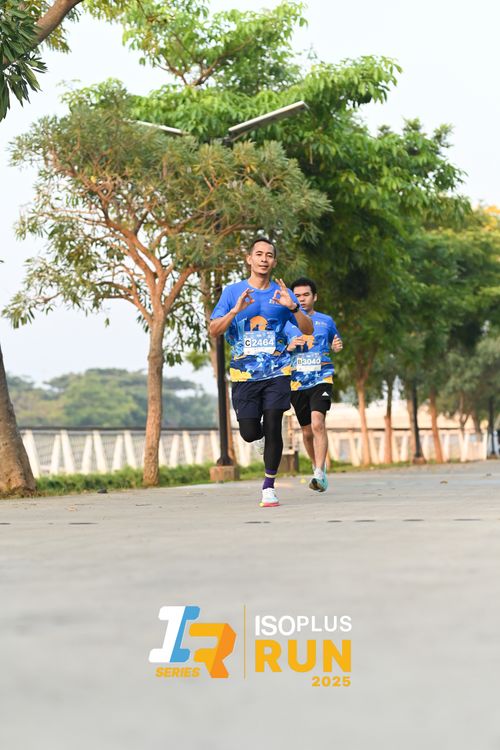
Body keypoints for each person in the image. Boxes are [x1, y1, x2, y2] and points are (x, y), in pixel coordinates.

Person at [209, 238, 313, 508]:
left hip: (277, 371)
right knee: (249, 431)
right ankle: (259, 441)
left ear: (274, 262)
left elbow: (308, 329)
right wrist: (235, 311)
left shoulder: (283, 293)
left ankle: (269, 486)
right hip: (244, 376)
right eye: (259, 254)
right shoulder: (233, 292)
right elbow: (214, 330)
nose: (264, 259)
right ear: (249, 259)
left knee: (273, 423)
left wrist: (293, 307)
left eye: (269, 255)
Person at [285, 277, 343, 492]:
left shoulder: (326, 321)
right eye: (297, 296)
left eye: (306, 295)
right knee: (307, 431)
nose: (302, 299)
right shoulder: (285, 322)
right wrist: (289, 346)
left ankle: (319, 472)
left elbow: (336, 342)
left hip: (321, 378)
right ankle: (316, 465)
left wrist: (337, 346)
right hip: (297, 383)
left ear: (315, 297)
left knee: (318, 422)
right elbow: (277, 352)